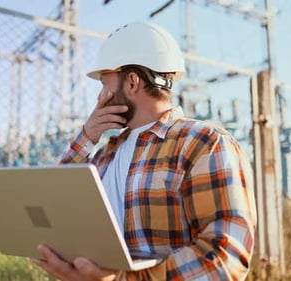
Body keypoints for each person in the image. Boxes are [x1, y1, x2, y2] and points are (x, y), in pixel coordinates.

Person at [31, 21, 257, 281]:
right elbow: (55, 203)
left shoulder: (205, 144)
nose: (100, 97)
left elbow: (223, 259)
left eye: (105, 84)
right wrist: (87, 136)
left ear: (132, 82)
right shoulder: (106, 154)